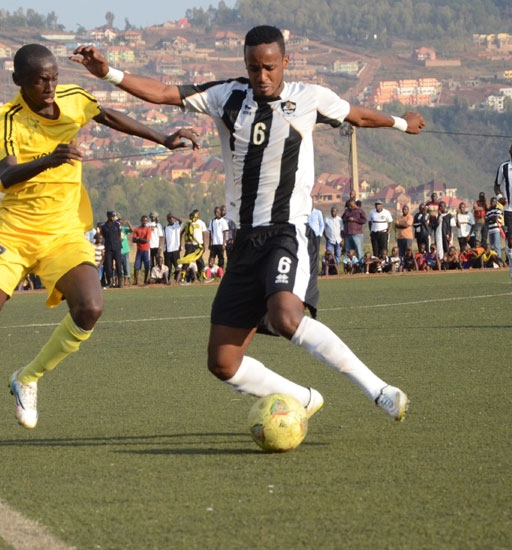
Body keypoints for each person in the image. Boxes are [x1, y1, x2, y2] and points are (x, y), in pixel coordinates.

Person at [73, 25, 422, 422]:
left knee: (286, 316)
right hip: (244, 241)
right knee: (223, 362)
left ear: (285, 63)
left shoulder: (309, 98)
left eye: (270, 67)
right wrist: (107, 73)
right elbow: (164, 93)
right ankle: (303, 399)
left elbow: (357, 114)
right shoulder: (227, 96)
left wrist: (399, 122)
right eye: (254, 68)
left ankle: (378, 390)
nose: (262, 76)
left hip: (286, 231)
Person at [0, 43, 198, 447]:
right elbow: (7, 176)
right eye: (40, 79)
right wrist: (50, 158)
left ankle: (27, 378)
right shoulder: (6, 120)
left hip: (62, 232)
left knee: (91, 307)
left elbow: (109, 115)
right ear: (18, 81)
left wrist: (162, 138)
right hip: (13, 234)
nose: (50, 85)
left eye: (54, 77)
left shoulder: (73, 99)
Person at [493, 142, 512, 275]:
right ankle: (511, 263)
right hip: (509, 210)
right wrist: (500, 196)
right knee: (510, 241)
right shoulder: (504, 167)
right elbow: (496, 185)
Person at [99, 211, 123, 288]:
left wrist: (118, 241)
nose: (113, 218)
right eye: (112, 216)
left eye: (114, 216)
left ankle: (120, 282)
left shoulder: (117, 224)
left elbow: (119, 235)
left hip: (117, 247)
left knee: (118, 264)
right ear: (108, 217)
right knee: (108, 265)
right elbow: (102, 236)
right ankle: (110, 281)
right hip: (108, 248)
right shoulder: (103, 226)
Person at [132, 215, 152, 285]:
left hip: (146, 249)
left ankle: (145, 280)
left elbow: (147, 240)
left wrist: (138, 238)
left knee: (147, 266)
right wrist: (140, 239)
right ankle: (136, 281)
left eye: (146, 221)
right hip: (139, 250)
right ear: (141, 221)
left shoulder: (148, 229)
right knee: (136, 266)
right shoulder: (137, 229)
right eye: (143, 220)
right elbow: (133, 240)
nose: (144, 222)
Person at [163, 213, 183, 283]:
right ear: (167, 219)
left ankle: (177, 280)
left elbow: (181, 221)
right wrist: (163, 249)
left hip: (175, 250)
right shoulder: (165, 228)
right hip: (168, 250)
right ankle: (167, 280)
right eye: (169, 218)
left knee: (177, 266)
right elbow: (164, 239)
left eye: (171, 218)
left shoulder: (176, 225)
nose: (170, 219)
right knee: (168, 267)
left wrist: (174, 216)